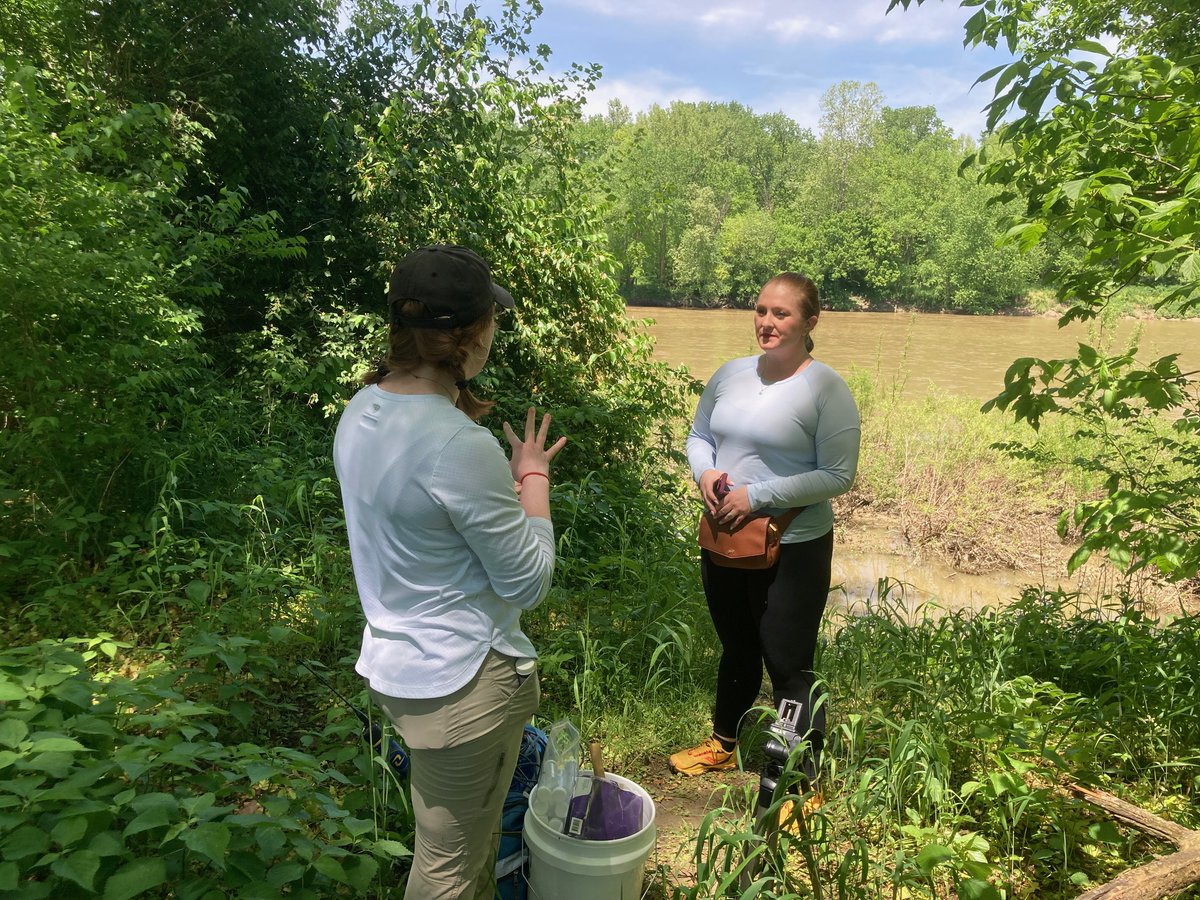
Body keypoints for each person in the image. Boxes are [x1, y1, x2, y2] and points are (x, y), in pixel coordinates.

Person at [333, 245, 567, 899]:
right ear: (472, 334)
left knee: (453, 855)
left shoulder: (362, 410)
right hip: (463, 684)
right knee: (449, 872)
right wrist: (534, 480)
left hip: (404, 670)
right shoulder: (458, 445)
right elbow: (527, 581)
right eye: (491, 319)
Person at [668, 272, 860, 802]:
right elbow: (699, 436)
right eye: (761, 311)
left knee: (787, 661)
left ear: (810, 321)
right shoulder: (730, 374)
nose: (767, 323)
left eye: (782, 314)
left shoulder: (826, 389)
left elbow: (839, 475)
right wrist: (704, 473)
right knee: (736, 646)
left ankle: (801, 776)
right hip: (726, 537)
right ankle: (724, 742)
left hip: (794, 546)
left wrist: (756, 496)